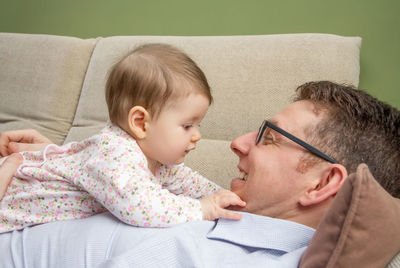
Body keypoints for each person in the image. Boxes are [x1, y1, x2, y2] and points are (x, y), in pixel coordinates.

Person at [0, 81, 399, 267]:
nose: (238, 142)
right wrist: (59, 160)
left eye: (269, 137)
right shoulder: (226, 216)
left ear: (323, 183)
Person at [0, 43, 245, 233]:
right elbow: (141, 208)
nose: (198, 136)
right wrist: (203, 209)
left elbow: (190, 184)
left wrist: (226, 198)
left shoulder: (156, 159)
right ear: (140, 123)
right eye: (188, 125)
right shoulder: (113, 154)